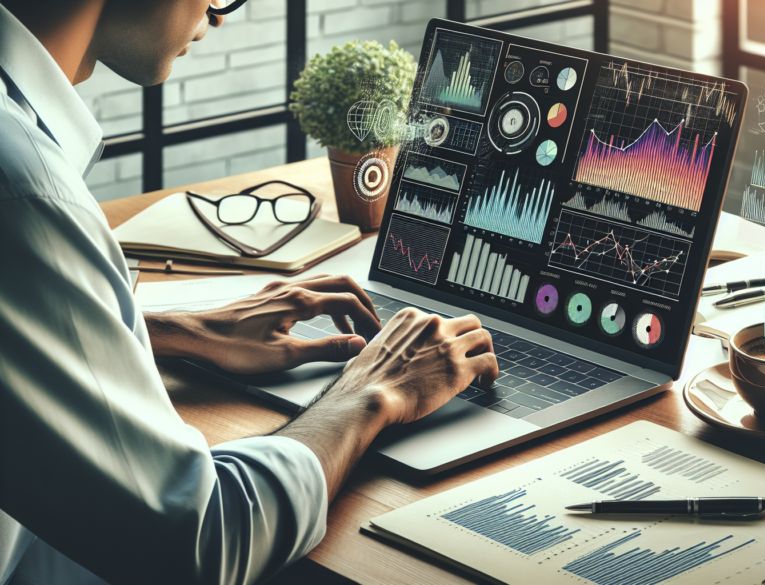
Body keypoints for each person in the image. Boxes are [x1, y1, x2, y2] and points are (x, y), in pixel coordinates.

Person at [0, 1, 499, 584]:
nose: (219, 14)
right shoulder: (25, 191)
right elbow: (198, 544)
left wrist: (172, 329)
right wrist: (371, 389)